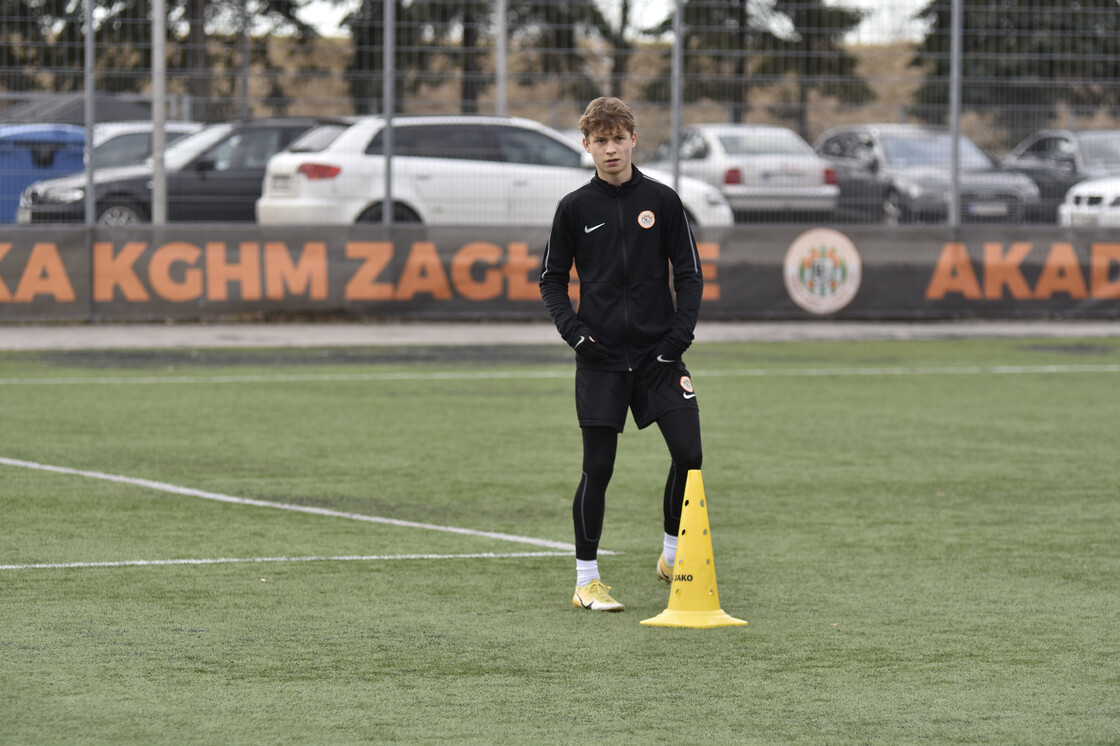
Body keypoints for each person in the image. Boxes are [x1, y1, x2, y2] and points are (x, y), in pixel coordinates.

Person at [540, 97, 705, 612]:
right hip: (602, 359)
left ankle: (671, 555)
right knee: (599, 468)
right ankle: (586, 580)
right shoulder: (574, 208)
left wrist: (678, 336)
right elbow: (550, 281)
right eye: (600, 141)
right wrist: (577, 334)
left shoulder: (665, 199)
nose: (610, 150)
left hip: (660, 356)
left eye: (619, 139)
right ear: (586, 145)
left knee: (690, 454)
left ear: (634, 140)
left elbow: (689, 275)